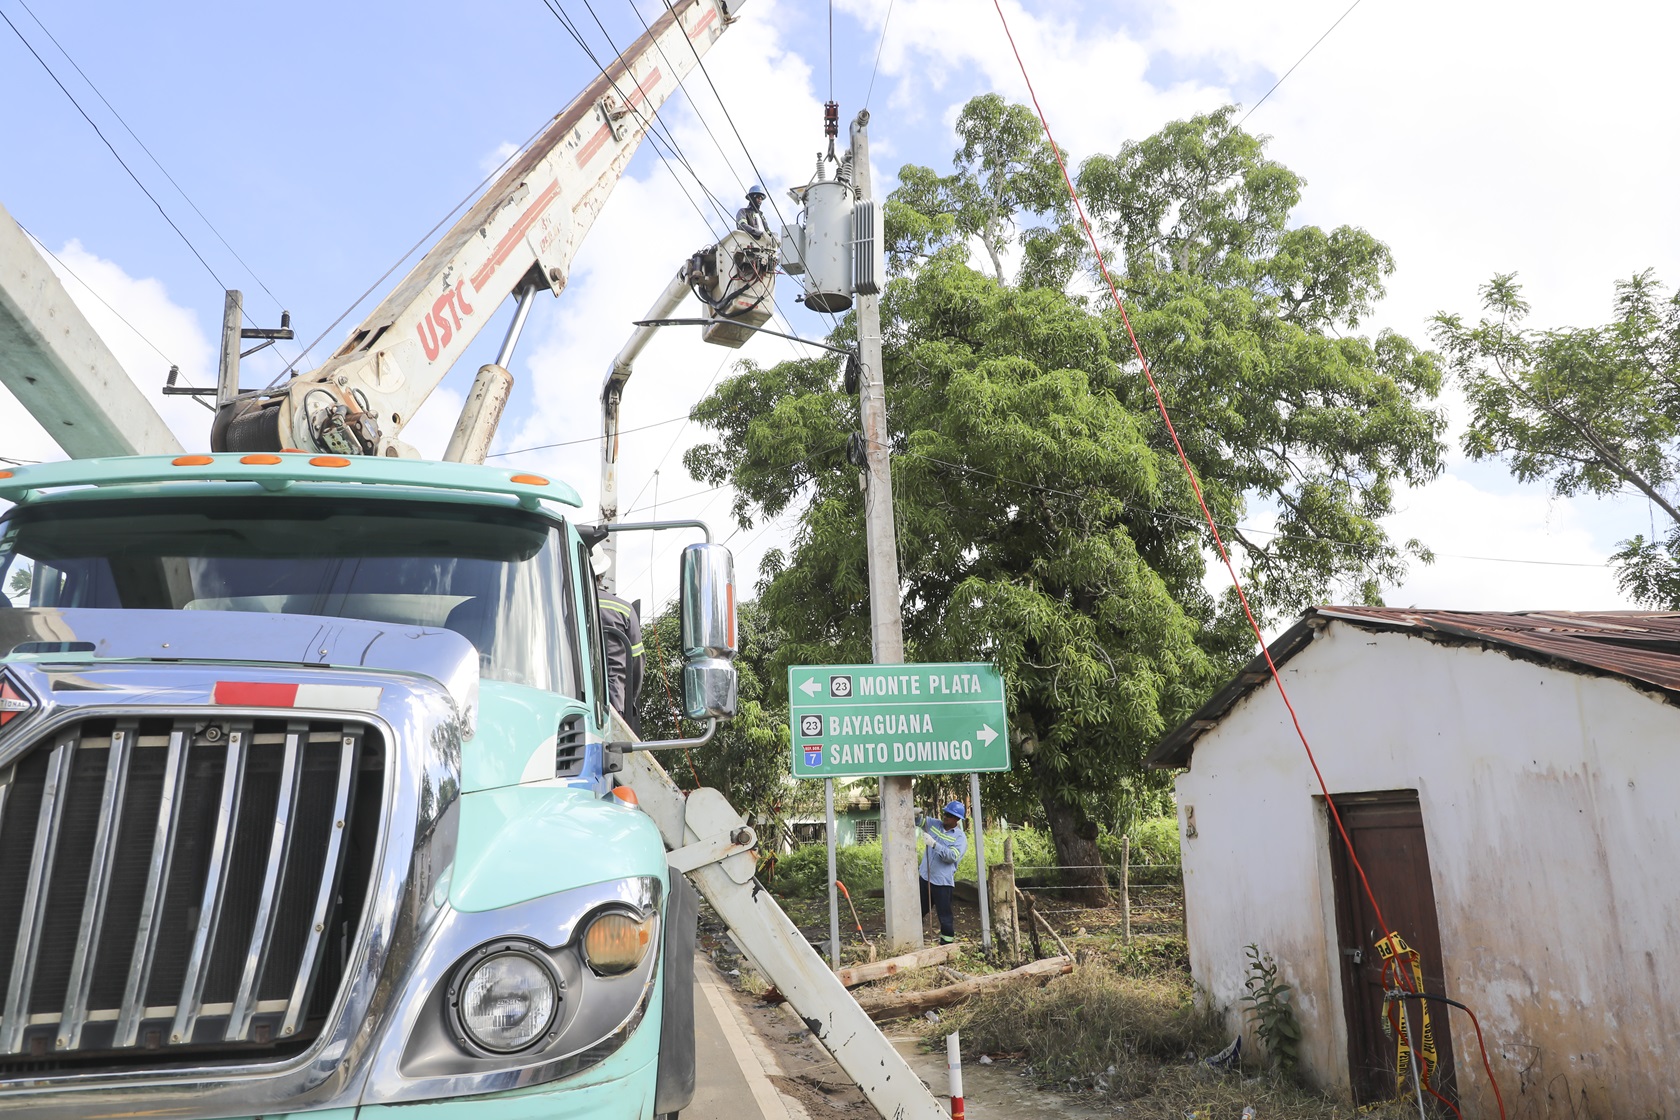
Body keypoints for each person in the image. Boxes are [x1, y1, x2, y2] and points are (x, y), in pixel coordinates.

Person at [592, 548, 644, 735]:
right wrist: (630, 699)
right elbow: (636, 661)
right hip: (615, 702)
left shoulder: (566, 606)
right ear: (602, 575)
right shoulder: (624, 609)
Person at [917, 800, 968, 944]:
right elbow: (917, 821)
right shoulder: (934, 824)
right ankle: (913, 941)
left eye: (949, 815)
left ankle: (946, 946)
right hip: (925, 878)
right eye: (945, 813)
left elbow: (952, 857)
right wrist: (915, 813)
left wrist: (934, 844)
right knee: (917, 911)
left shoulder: (960, 838)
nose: (945, 817)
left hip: (942, 883)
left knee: (944, 916)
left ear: (957, 819)